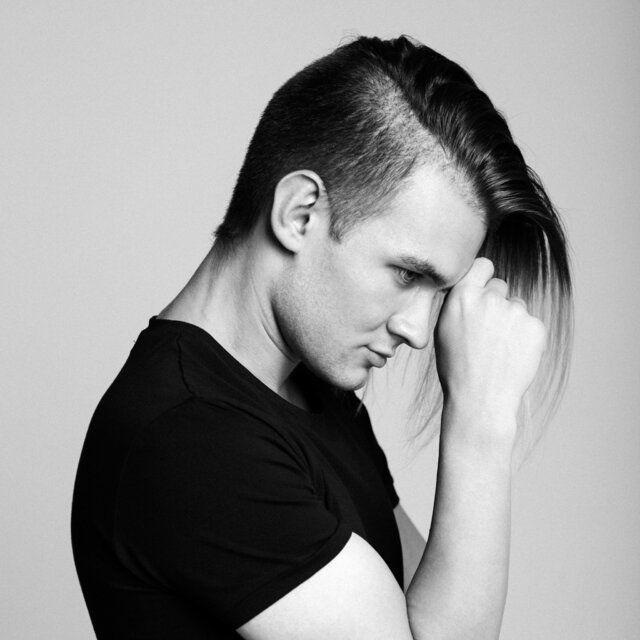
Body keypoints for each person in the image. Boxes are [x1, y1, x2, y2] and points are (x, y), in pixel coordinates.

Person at [71, 35, 573, 639]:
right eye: (407, 274)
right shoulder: (189, 437)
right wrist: (481, 424)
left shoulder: (319, 397)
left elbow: (439, 615)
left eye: (438, 291)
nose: (419, 331)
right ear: (300, 213)